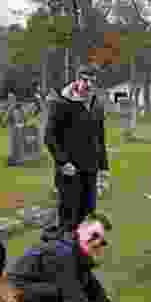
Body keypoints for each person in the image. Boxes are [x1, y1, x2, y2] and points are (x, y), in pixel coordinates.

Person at [6, 216, 149, 302]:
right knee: (60, 293)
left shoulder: (77, 252)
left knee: (66, 289)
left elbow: (99, 297)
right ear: (80, 232)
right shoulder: (61, 253)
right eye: (93, 236)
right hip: (11, 298)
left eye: (102, 241)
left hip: (33, 290)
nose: (97, 243)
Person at [44, 64, 109, 240]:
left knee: (88, 215)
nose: (88, 85)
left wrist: (104, 168)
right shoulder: (61, 103)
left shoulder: (97, 104)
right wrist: (62, 162)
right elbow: (50, 136)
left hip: (91, 169)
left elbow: (100, 138)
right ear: (77, 80)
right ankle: (63, 255)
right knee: (68, 218)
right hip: (69, 171)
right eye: (84, 80)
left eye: (92, 81)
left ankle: (82, 256)